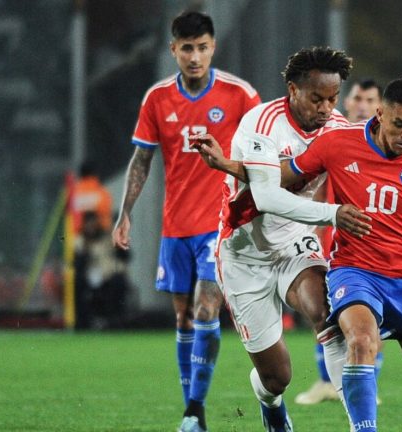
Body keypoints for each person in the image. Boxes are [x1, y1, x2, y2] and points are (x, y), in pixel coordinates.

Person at [198, 76, 402, 431]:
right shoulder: (339, 142)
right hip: (355, 270)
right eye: (400, 124)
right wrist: (226, 164)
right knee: (360, 340)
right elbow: (281, 176)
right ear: (381, 114)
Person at [194, 47, 371, 431]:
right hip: (244, 254)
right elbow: (267, 197)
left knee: (328, 315)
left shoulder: (337, 128)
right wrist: (333, 214)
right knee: (278, 378)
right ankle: (271, 406)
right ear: (292, 89)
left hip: (295, 243)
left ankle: (363, 426)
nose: (326, 108)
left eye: (332, 98)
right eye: (316, 98)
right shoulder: (261, 122)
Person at [110, 11, 260, 432]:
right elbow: (141, 159)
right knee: (183, 319)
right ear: (173, 49)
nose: (195, 57)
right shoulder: (157, 99)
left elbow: (264, 149)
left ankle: (195, 408)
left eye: (203, 47)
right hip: (176, 226)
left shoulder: (240, 95)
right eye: (187, 48)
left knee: (207, 305)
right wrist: (124, 215)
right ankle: (192, 411)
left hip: (220, 222)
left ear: (213, 47)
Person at [295, 78, 384, 406]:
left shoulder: (385, 142)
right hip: (333, 235)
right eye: (358, 97)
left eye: (370, 99)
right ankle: (326, 380)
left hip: (376, 238)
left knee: (374, 317)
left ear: (380, 107)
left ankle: (367, 385)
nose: (362, 104)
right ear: (347, 102)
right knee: (324, 309)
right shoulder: (335, 138)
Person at [74, 211, 129, 330]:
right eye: (89, 224)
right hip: (89, 278)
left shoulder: (106, 239)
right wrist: (85, 251)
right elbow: (78, 264)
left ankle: (115, 321)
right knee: (77, 283)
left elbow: (124, 256)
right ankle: (82, 322)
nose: (91, 227)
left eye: (93, 223)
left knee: (118, 283)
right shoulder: (80, 241)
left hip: (107, 277)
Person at [72, 161, 113, 235]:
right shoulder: (101, 192)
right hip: (100, 235)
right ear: (94, 174)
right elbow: (107, 212)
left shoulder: (74, 194)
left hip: (79, 236)